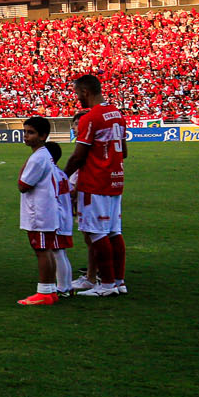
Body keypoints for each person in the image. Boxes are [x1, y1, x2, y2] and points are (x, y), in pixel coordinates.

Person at [65, 74, 128, 296]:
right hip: (115, 179)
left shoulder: (90, 117)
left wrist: (62, 177)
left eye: (76, 93)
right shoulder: (117, 114)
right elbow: (125, 151)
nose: (77, 98)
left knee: (96, 233)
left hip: (95, 182)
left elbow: (78, 157)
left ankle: (107, 284)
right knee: (113, 232)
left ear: (84, 92)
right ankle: (119, 281)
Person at [16, 117, 61, 306]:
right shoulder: (44, 154)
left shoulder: (38, 157)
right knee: (46, 250)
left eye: (31, 132)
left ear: (43, 136)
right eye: (25, 131)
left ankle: (43, 291)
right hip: (46, 210)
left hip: (38, 212)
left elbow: (23, 185)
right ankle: (50, 290)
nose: (26, 136)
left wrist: (23, 168)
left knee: (41, 250)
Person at [46, 141, 76, 297]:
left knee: (57, 252)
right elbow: (72, 191)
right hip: (65, 216)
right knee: (60, 252)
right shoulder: (61, 173)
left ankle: (63, 288)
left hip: (57, 217)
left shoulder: (50, 173)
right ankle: (68, 286)